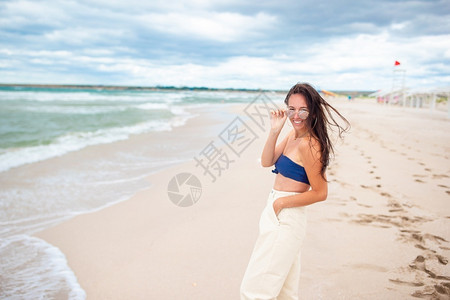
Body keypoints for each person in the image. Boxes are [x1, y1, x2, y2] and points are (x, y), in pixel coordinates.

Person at [240, 83, 349, 300]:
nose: (296, 115)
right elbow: (266, 161)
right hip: (279, 212)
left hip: (286, 215)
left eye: (303, 110)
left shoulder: (310, 145)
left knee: (255, 289)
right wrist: (275, 130)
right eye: (291, 108)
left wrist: (280, 204)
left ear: (313, 111)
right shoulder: (293, 135)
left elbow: (320, 192)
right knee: (284, 291)